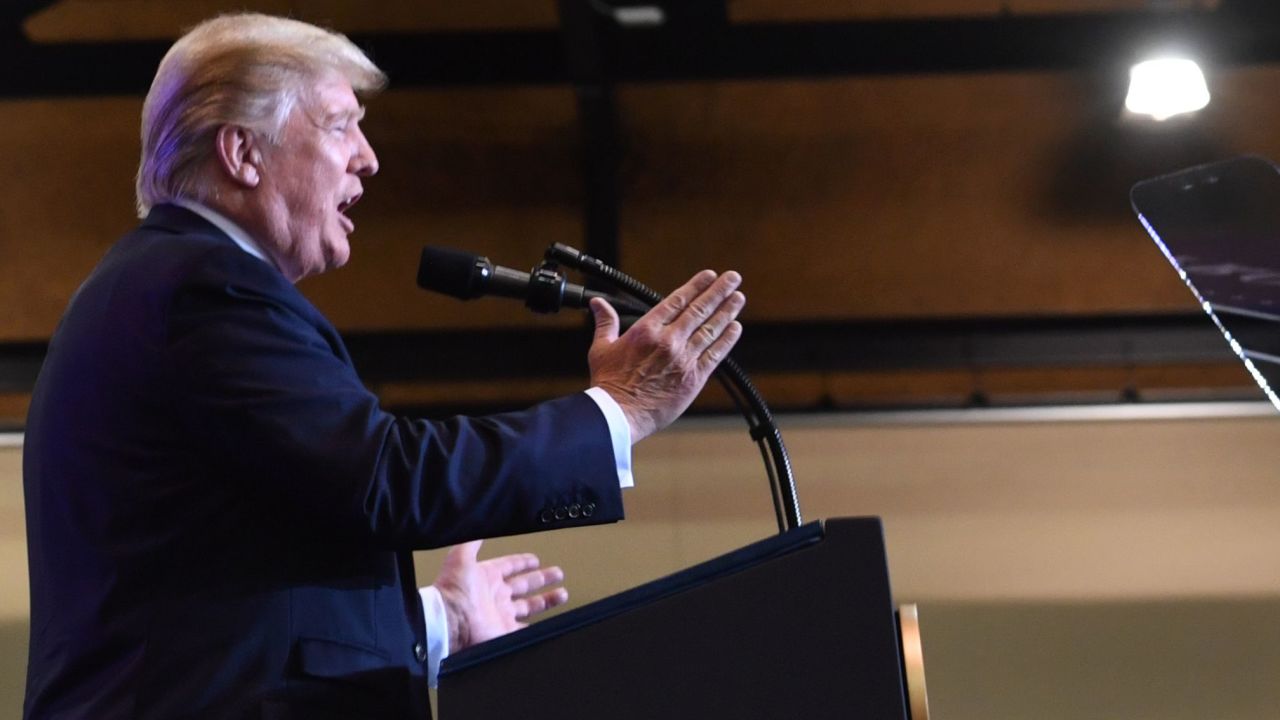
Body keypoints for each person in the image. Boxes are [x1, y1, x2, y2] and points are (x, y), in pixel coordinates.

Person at [21, 13, 745, 720]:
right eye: (340, 124)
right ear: (242, 153)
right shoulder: (200, 289)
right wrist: (620, 409)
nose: (368, 156)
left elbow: (241, 593)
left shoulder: (169, 285)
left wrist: (444, 621)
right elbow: (386, 479)